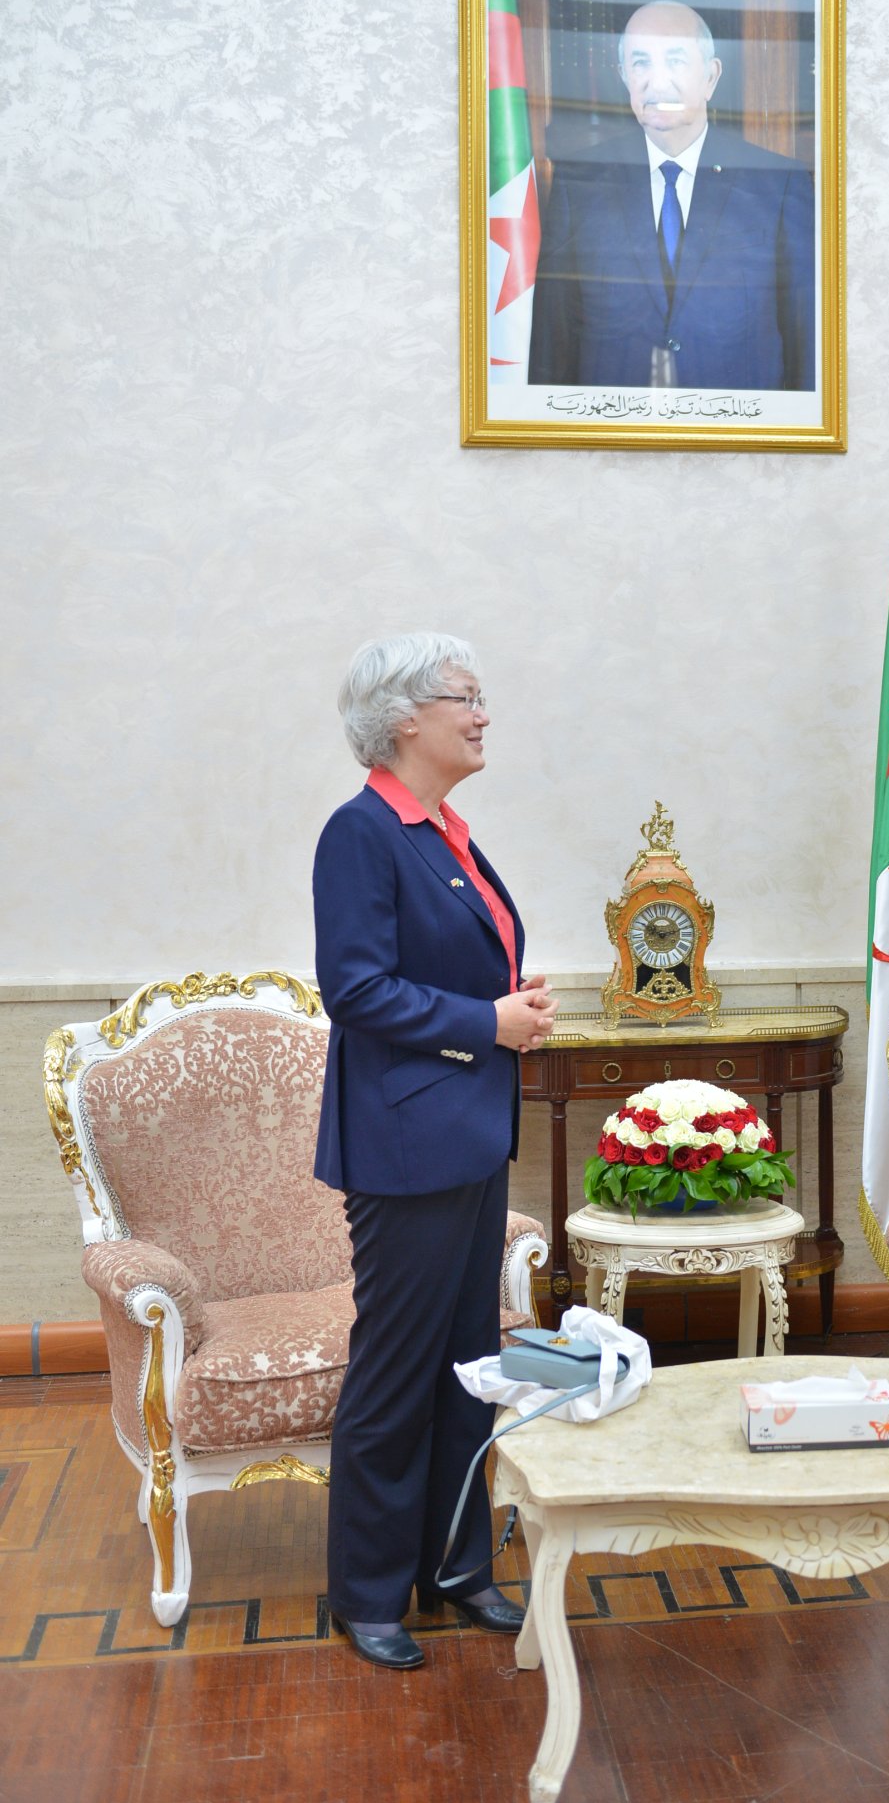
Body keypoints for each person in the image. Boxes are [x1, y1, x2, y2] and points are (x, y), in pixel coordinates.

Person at [312, 632, 558, 1669]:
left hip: (467, 1135)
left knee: (469, 1365)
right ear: (404, 717)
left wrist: (506, 1003)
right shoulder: (362, 831)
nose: (482, 712)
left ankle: (456, 1566)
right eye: (465, 696)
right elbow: (356, 989)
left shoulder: (446, 830)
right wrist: (486, 1021)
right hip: (406, 1144)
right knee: (397, 1369)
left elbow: (442, 968)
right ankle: (369, 1591)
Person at [527, 0, 815, 392]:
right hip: (613, 423)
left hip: (738, 424)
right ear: (624, 76)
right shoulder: (579, 183)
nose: (657, 82)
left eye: (676, 61)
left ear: (710, 77)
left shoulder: (777, 185)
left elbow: (807, 346)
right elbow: (552, 342)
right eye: (641, 63)